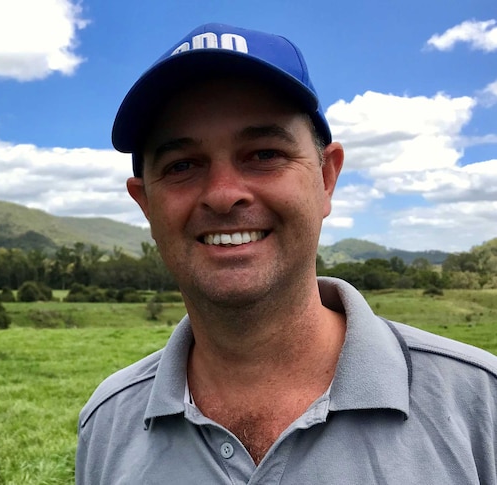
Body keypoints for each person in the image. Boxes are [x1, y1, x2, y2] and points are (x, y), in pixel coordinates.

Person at [75, 22, 497, 484]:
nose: (222, 194)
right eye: (182, 165)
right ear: (146, 204)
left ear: (326, 178)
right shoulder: (107, 423)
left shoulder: (480, 406)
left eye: (263, 154)